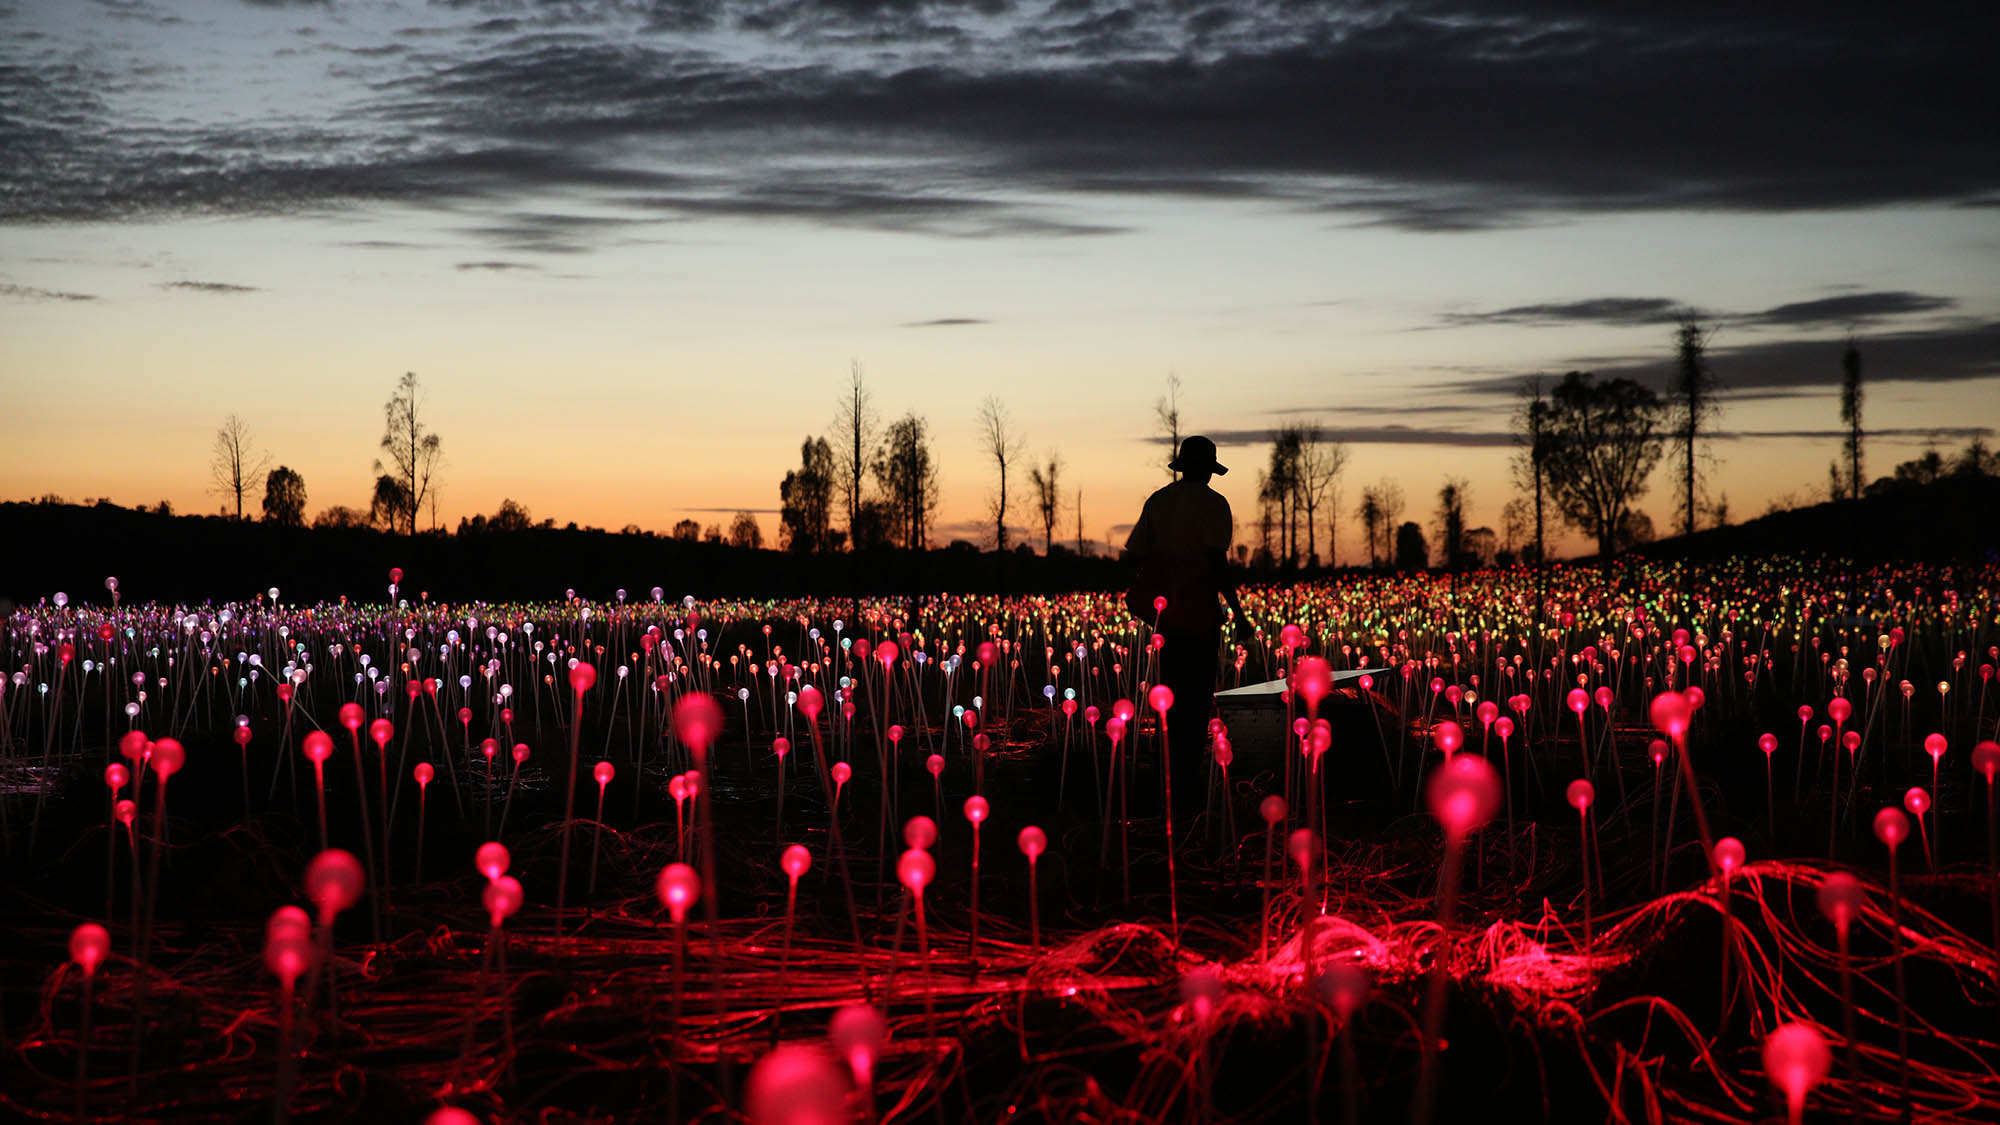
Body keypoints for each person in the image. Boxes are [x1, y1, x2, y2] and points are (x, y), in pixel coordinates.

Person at [1123, 434, 1251, 819]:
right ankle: (1186, 783)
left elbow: (1136, 556)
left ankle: (1167, 773)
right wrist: (1238, 612)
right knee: (1196, 698)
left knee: (1171, 693)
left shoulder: (1158, 501)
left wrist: (1150, 597)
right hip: (1198, 615)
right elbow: (1217, 565)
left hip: (1166, 617)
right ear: (1207, 469)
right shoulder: (1214, 505)